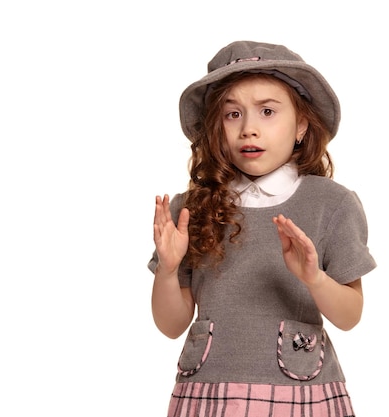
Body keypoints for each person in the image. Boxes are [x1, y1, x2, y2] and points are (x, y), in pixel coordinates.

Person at [149, 40, 376, 417]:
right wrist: (169, 270)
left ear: (301, 124)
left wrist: (314, 278)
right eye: (232, 114)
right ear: (215, 128)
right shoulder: (189, 209)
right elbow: (171, 324)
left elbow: (350, 316)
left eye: (267, 111)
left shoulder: (331, 204)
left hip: (300, 394)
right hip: (208, 395)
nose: (249, 129)